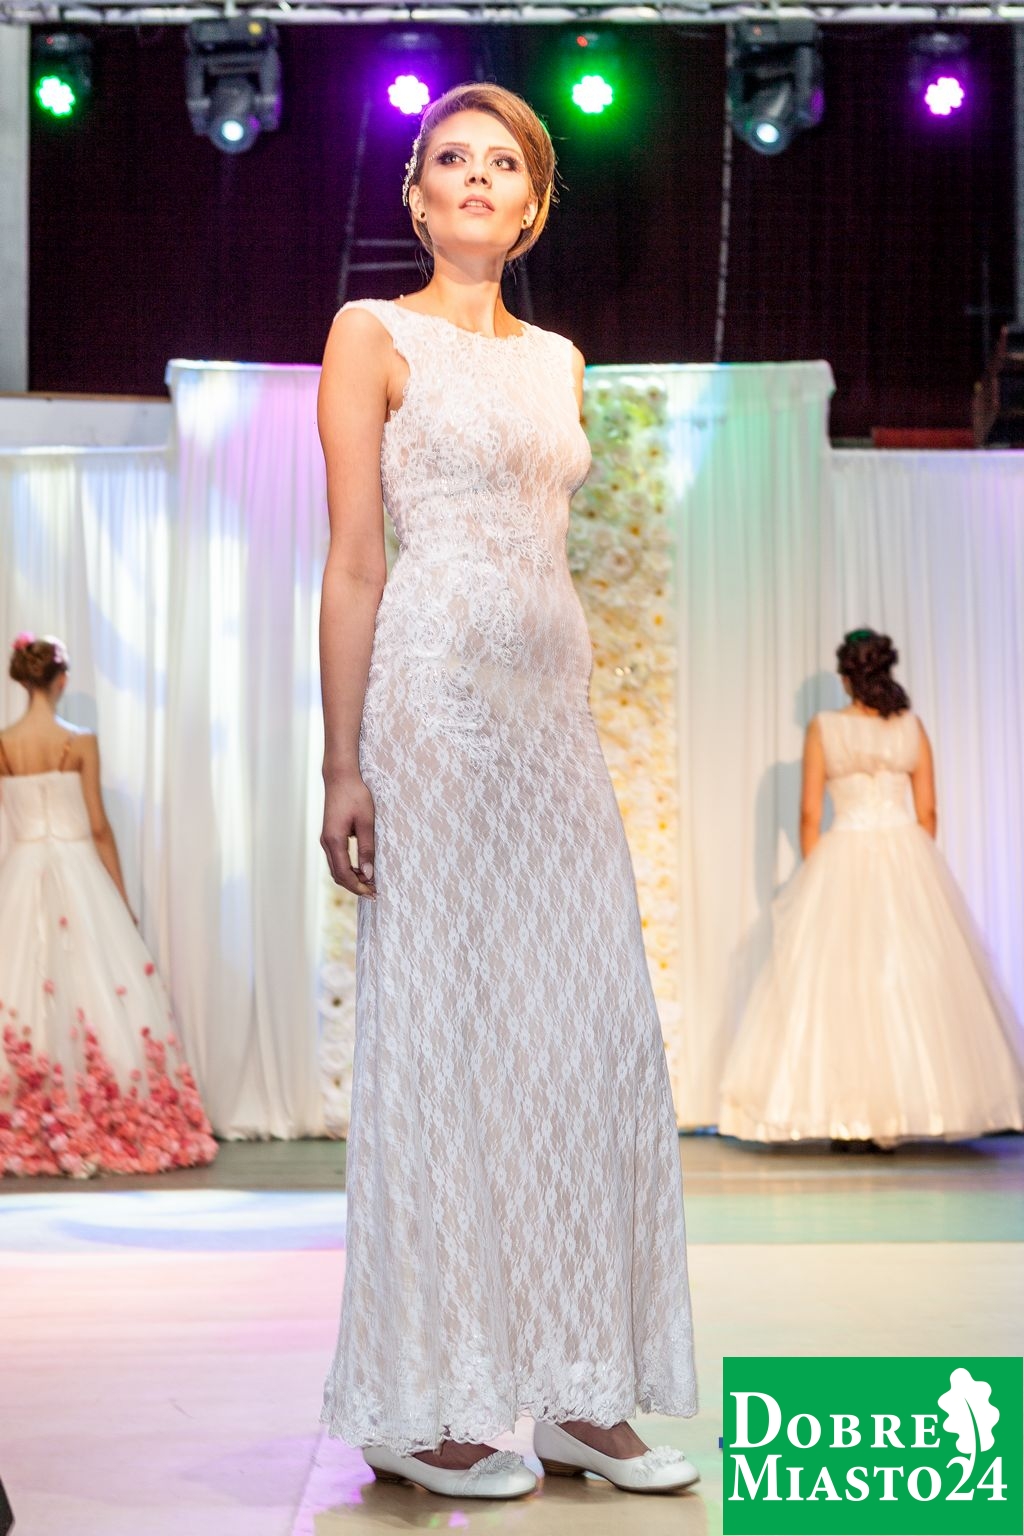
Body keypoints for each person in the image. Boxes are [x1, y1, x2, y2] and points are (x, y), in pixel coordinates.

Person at [316, 83, 698, 1500]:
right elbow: (356, 560)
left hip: (551, 722)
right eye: (450, 159)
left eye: (502, 164)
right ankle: (427, 1401)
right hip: (433, 707)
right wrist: (342, 761)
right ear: (417, 197)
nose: (475, 177)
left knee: (584, 1033)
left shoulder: (559, 360)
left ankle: (583, 1391)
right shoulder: (371, 333)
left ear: (532, 208)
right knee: (449, 1029)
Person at [719, 628, 1024, 1146]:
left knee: (841, 985)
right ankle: (905, 1111)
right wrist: (914, 864)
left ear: (846, 677)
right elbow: (928, 812)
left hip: (843, 853)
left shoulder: (825, 728)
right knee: (906, 983)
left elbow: (809, 814)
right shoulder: (911, 727)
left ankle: (847, 1116)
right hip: (907, 855)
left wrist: (817, 878)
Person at [0, 633, 216, 1177]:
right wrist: (119, 897)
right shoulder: (79, 741)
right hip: (78, 868)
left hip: (22, 868)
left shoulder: (3, 744)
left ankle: (27, 1115)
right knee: (97, 985)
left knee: (21, 986)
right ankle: (102, 1112)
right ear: (61, 680)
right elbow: (97, 826)